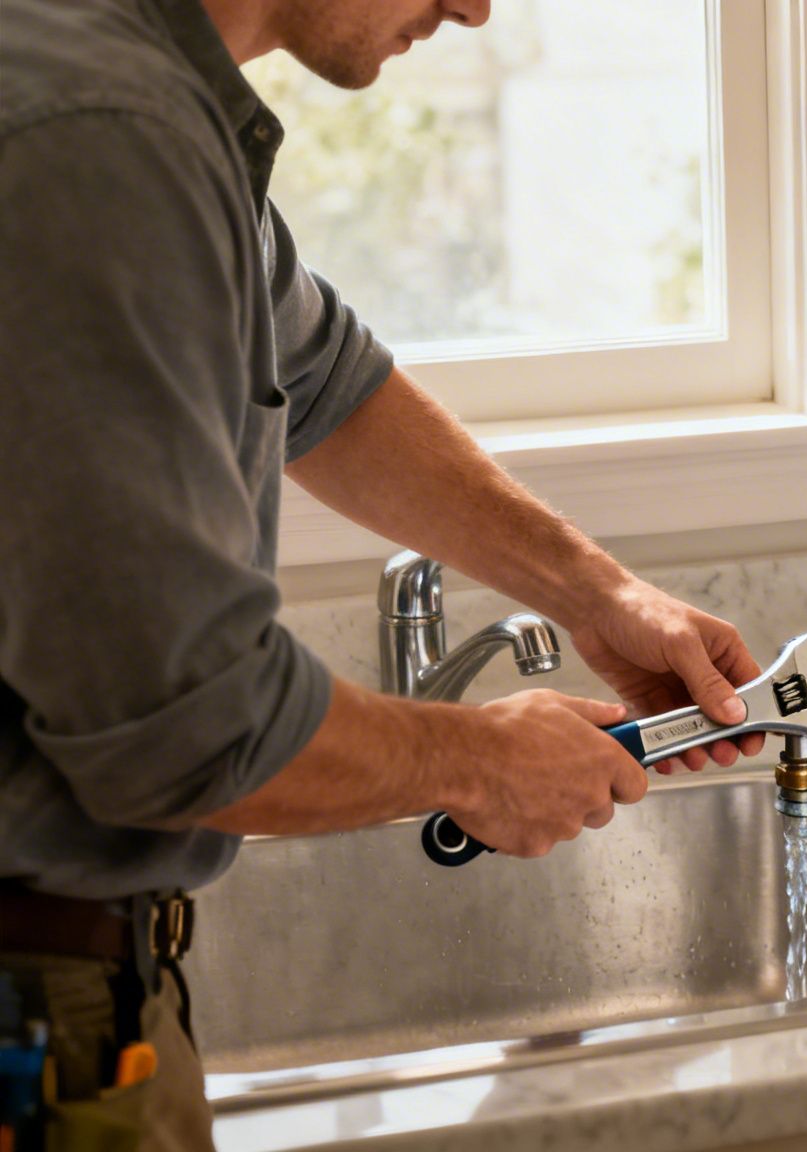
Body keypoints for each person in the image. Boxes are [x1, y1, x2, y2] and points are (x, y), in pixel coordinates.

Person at [0, 0, 767, 1147]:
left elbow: (321, 382)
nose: (474, 6)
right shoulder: (102, 131)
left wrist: (598, 596)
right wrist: (476, 760)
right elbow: (189, 735)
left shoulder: (129, 87)